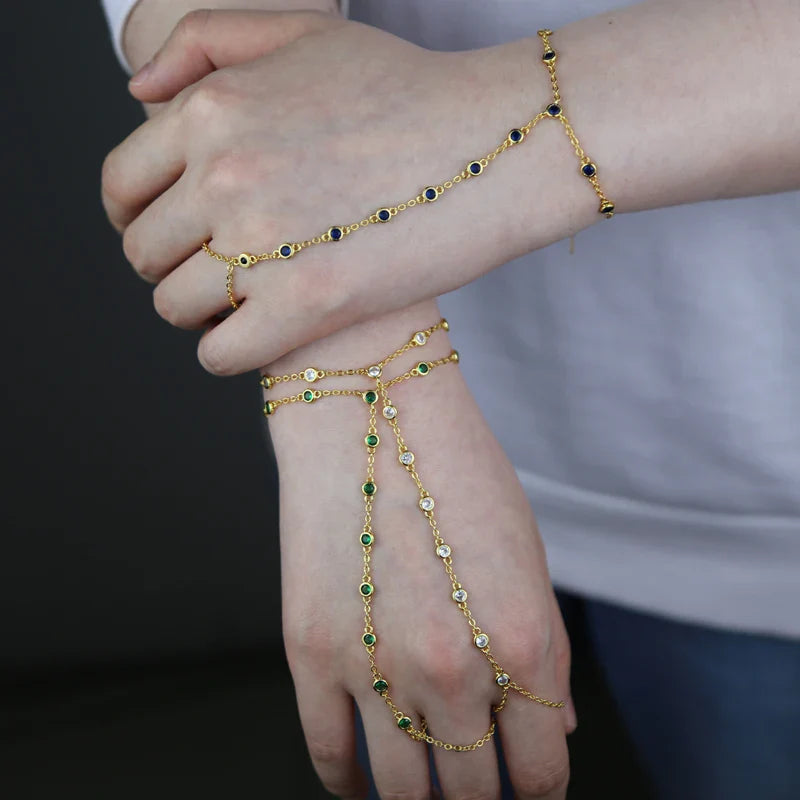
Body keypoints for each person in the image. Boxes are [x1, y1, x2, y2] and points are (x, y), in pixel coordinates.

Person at [99, 1, 800, 798]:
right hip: (402, 454)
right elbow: (216, 43)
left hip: (767, 516)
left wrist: (491, 123)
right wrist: (355, 355)